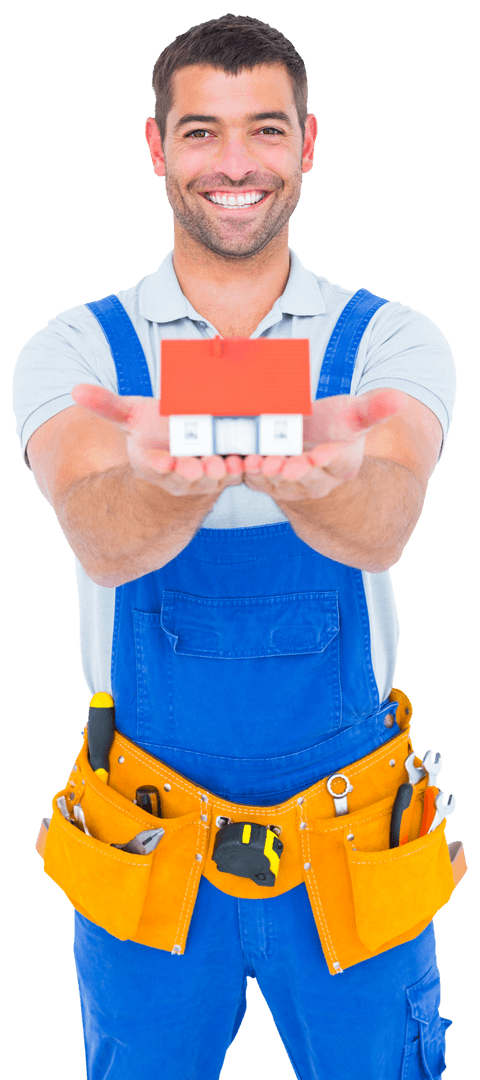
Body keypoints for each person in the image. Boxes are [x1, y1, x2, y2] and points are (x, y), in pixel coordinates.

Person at [13, 13, 457, 1080]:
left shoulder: (391, 341)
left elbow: (389, 520)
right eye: (202, 132)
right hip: (148, 844)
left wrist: (326, 484)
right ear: (158, 149)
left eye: (264, 129)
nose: (236, 164)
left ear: (308, 144)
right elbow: (102, 541)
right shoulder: (75, 350)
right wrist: (161, 489)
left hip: (354, 841)